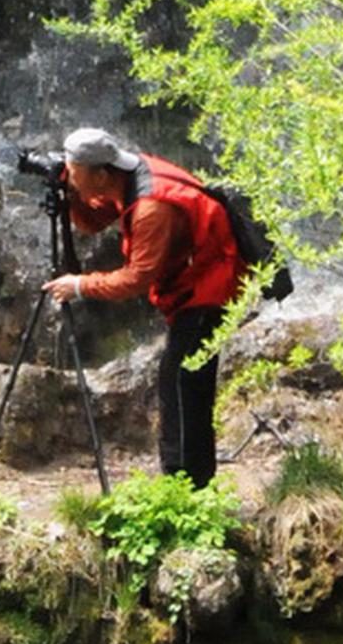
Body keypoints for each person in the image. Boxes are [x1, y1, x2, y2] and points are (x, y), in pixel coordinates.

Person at [39, 124, 243, 487]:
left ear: (100, 174)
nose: (68, 176)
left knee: (181, 383)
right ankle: (189, 483)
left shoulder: (153, 208)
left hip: (211, 287)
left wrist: (80, 285)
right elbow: (95, 220)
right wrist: (71, 197)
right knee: (182, 382)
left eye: (74, 172)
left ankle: (185, 488)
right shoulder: (131, 174)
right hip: (196, 281)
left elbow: (136, 279)